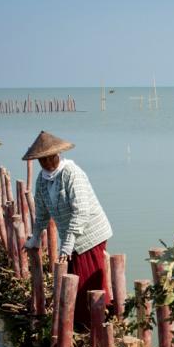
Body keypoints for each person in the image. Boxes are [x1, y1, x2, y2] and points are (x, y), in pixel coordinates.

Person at [23, 131, 113, 326]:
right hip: (71, 237)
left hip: (90, 233)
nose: (47, 163)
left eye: (50, 158)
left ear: (58, 155)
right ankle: (81, 321)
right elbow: (42, 213)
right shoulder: (42, 180)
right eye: (42, 160)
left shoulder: (72, 173)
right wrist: (35, 238)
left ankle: (90, 324)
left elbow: (81, 211)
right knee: (73, 278)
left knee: (85, 282)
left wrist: (67, 245)